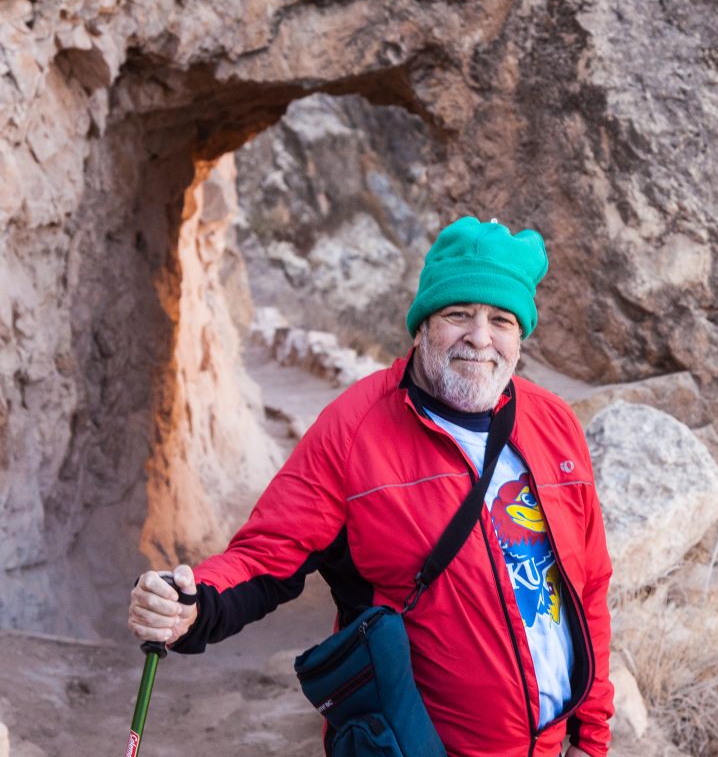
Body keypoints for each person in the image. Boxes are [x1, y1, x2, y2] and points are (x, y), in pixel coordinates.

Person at [128, 216, 613, 757]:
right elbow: (267, 555)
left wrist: (590, 738)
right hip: (414, 744)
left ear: (520, 334)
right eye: (459, 314)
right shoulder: (355, 429)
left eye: (501, 319)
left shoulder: (554, 424)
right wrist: (192, 607)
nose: (481, 337)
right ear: (423, 324)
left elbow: (587, 587)